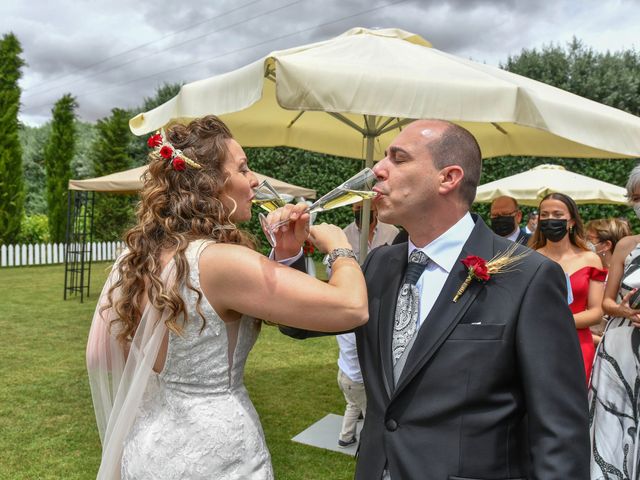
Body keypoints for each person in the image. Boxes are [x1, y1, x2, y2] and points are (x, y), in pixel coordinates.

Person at [277, 119, 590, 479]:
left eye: (398, 158)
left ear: (448, 178)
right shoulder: (381, 263)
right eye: (383, 158)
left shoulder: (529, 277)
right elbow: (300, 323)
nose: (377, 170)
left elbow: (560, 430)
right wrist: (289, 255)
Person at [85, 116, 368, 479]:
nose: (254, 180)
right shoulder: (219, 261)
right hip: (216, 453)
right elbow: (351, 306)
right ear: (211, 183)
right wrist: (340, 247)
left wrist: (284, 255)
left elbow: (99, 353)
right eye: (243, 168)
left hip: (152, 444)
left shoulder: (137, 257)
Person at [590, 165, 640, 479]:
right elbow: (606, 303)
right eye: (636, 197)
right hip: (619, 347)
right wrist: (624, 311)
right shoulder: (626, 245)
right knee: (613, 424)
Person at [335, 202, 397, 448]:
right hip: (354, 297)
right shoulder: (345, 234)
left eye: (365, 209)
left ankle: (347, 436)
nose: (360, 215)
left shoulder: (391, 232)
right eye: (356, 211)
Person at [529, 192, 606, 383]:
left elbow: (596, 312)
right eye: (544, 215)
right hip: (538, 343)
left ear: (571, 221)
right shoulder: (530, 258)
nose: (550, 219)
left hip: (578, 344)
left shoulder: (590, 259)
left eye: (557, 214)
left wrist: (558, 321)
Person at [585, 218, 631, 343]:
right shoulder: (587, 270)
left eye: (589, 239)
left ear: (606, 245)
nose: (585, 243)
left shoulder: (626, 280)